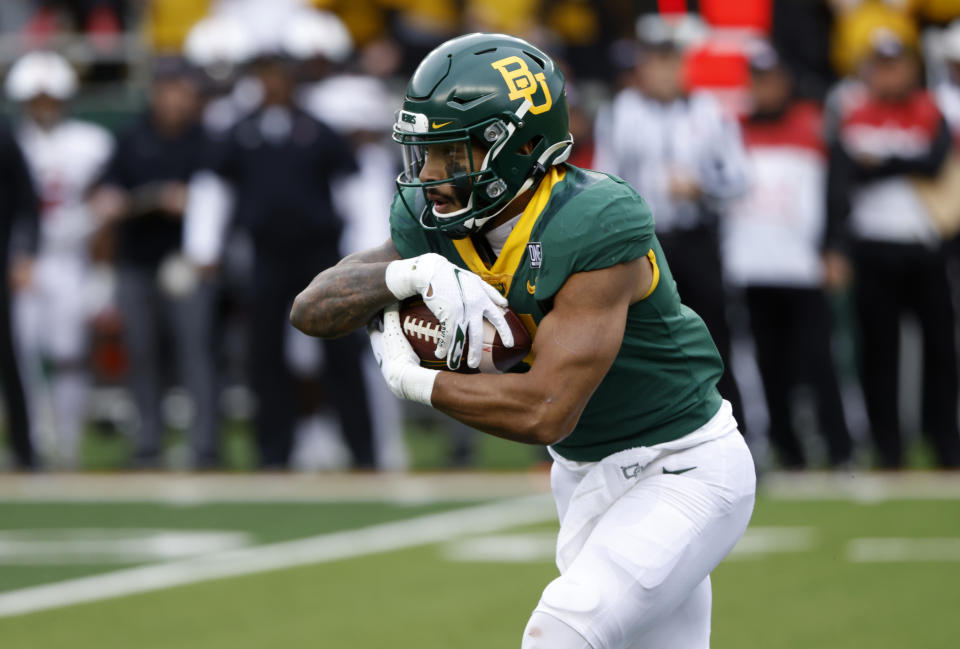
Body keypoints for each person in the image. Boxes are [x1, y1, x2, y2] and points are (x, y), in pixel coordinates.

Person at [291, 33, 755, 649]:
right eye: (423, 153)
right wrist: (404, 273)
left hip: (681, 465)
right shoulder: (436, 223)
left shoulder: (593, 220)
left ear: (519, 146)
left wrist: (418, 381)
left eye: (452, 153)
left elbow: (546, 411)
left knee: (563, 629)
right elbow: (310, 310)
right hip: (583, 476)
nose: (430, 176)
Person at [184, 46, 375, 469]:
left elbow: (353, 188)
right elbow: (214, 189)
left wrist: (364, 250)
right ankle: (273, 451)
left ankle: (362, 450)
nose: (272, 83)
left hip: (321, 255)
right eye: (264, 75)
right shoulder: (239, 133)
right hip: (265, 255)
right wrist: (204, 247)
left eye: (279, 74)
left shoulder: (319, 131)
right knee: (264, 354)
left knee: (340, 350)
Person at [592, 15, 750, 436]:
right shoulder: (620, 112)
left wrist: (702, 186)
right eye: (655, 60)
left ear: (682, 64)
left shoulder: (710, 111)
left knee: (715, 336)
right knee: (640, 337)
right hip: (644, 242)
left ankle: (735, 431)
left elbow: (739, 178)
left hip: (696, 236)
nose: (663, 70)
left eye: (670, 59)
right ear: (643, 65)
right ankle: (647, 432)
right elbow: (604, 179)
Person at [826, 31, 960, 468]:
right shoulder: (854, 112)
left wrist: (881, 163)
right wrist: (835, 246)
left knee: (940, 350)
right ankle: (889, 448)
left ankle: (944, 443)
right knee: (879, 353)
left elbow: (935, 161)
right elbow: (845, 177)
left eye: (895, 64)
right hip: (873, 247)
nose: (888, 74)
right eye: (879, 65)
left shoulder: (928, 109)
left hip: (924, 245)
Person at [724, 45, 854, 469]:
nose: (764, 88)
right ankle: (789, 451)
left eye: (771, 78)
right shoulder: (730, 129)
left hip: (802, 266)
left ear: (786, 81)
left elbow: (837, 193)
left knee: (820, 362)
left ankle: (841, 451)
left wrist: (835, 247)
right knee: (767, 365)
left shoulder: (813, 125)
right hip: (748, 266)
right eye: (756, 79)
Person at [89, 58, 220, 468]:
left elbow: (219, 197)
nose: (175, 99)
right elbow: (106, 187)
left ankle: (204, 446)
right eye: (169, 90)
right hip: (137, 259)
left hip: (187, 261)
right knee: (141, 352)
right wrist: (112, 198)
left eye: (183, 91)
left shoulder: (206, 141)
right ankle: (148, 442)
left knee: (195, 352)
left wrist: (192, 207)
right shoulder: (132, 137)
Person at [5, 51, 113, 469]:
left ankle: (67, 440)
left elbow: (106, 208)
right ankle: (33, 440)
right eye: (37, 99)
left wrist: (102, 269)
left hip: (72, 256)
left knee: (69, 351)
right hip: (23, 258)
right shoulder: (13, 141)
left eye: (51, 98)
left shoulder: (91, 142)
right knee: (25, 351)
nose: (45, 106)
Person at [0, 119, 39, 470]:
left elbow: (27, 200)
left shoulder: (3, 133)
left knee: (9, 356)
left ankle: (25, 449)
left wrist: (25, 253)